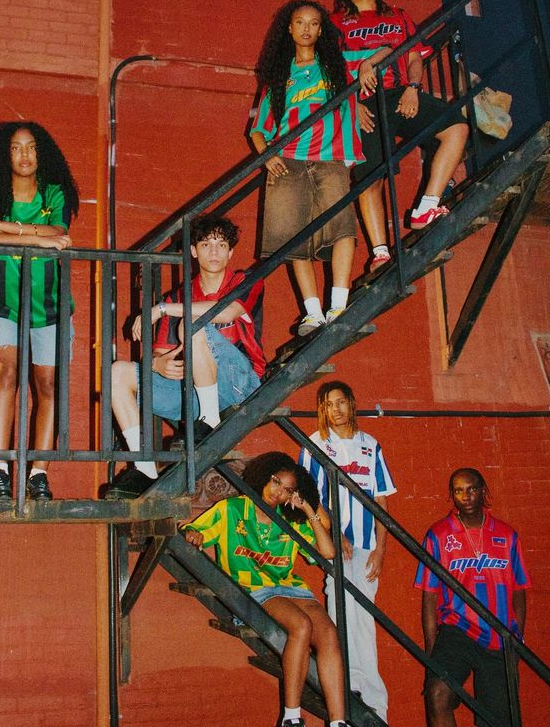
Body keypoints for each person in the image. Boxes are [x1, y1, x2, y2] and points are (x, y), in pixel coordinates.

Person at [105, 214, 265, 499]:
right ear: (193, 251)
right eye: (205, 244)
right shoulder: (179, 294)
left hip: (240, 384)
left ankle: (210, 419)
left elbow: (226, 312)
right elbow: (159, 352)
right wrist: (158, 363)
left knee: (192, 324)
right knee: (117, 372)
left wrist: (161, 309)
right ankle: (144, 468)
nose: (214, 251)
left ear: (230, 252)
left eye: (220, 244)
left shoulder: (246, 280)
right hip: (193, 392)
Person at [183, 451, 349, 727]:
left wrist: (307, 509)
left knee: (329, 634)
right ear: (263, 477)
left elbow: (328, 551)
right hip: (253, 588)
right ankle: (292, 717)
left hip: (291, 588)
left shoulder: (290, 520)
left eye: (287, 490)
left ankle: (338, 722)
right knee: (301, 626)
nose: (278, 493)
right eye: (275, 482)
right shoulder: (233, 509)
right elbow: (196, 532)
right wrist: (195, 535)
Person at [0, 121, 79, 500]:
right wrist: (29, 232)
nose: (25, 154)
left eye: (31, 147)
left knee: (47, 385)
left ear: (41, 153)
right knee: (6, 373)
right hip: (1, 300)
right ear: (5, 154)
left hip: (50, 303)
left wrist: (3, 228)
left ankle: (38, 474)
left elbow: (59, 233)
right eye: (16, 147)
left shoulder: (54, 192)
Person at [331, 0, 468, 270]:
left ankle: (427, 206)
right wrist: (349, 106)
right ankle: (380, 253)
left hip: (399, 95)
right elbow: (330, 73)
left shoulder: (398, 16)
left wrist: (414, 87)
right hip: (361, 105)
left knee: (456, 127)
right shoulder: (336, 23)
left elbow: (416, 57)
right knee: (370, 178)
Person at [250, 0, 370, 337]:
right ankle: (314, 313)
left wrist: (366, 70)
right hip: (288, 160)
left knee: (343, 227)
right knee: (293, 238)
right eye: (299, 22)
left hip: (330, 158)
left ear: (321, 29)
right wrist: (266, 155)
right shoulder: (279, 76)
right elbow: (258, 129)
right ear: (289, 29)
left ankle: (339, 305)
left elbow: (382, 52)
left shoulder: (337, 65)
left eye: (313, 23)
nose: (306, 28)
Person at [299, 380, 395, 723]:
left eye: (340, 402)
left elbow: (381, 499)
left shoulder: (371, 445)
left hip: (367, 543)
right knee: (342, 605)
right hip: (334, 540)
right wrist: (334, 529)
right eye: (327, 404)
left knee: (360, 614)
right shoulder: (315, 444)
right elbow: (309, 494)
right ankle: (354, 686)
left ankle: (370, 695)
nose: (334, 409)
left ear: (351, 404)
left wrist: (381, 548)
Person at [415, 468, 531, 727]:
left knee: (499, 720)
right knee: (437, 694)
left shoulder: (507, 535)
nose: (465, 496)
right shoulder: (438, 535)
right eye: (458, 491)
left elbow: (520, 591)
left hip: (499, 636)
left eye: (472, 489)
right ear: (452, 496)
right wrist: (431, 654)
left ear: (483, 491)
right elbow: (430, 599)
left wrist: (517, 641)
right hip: (458, 630)